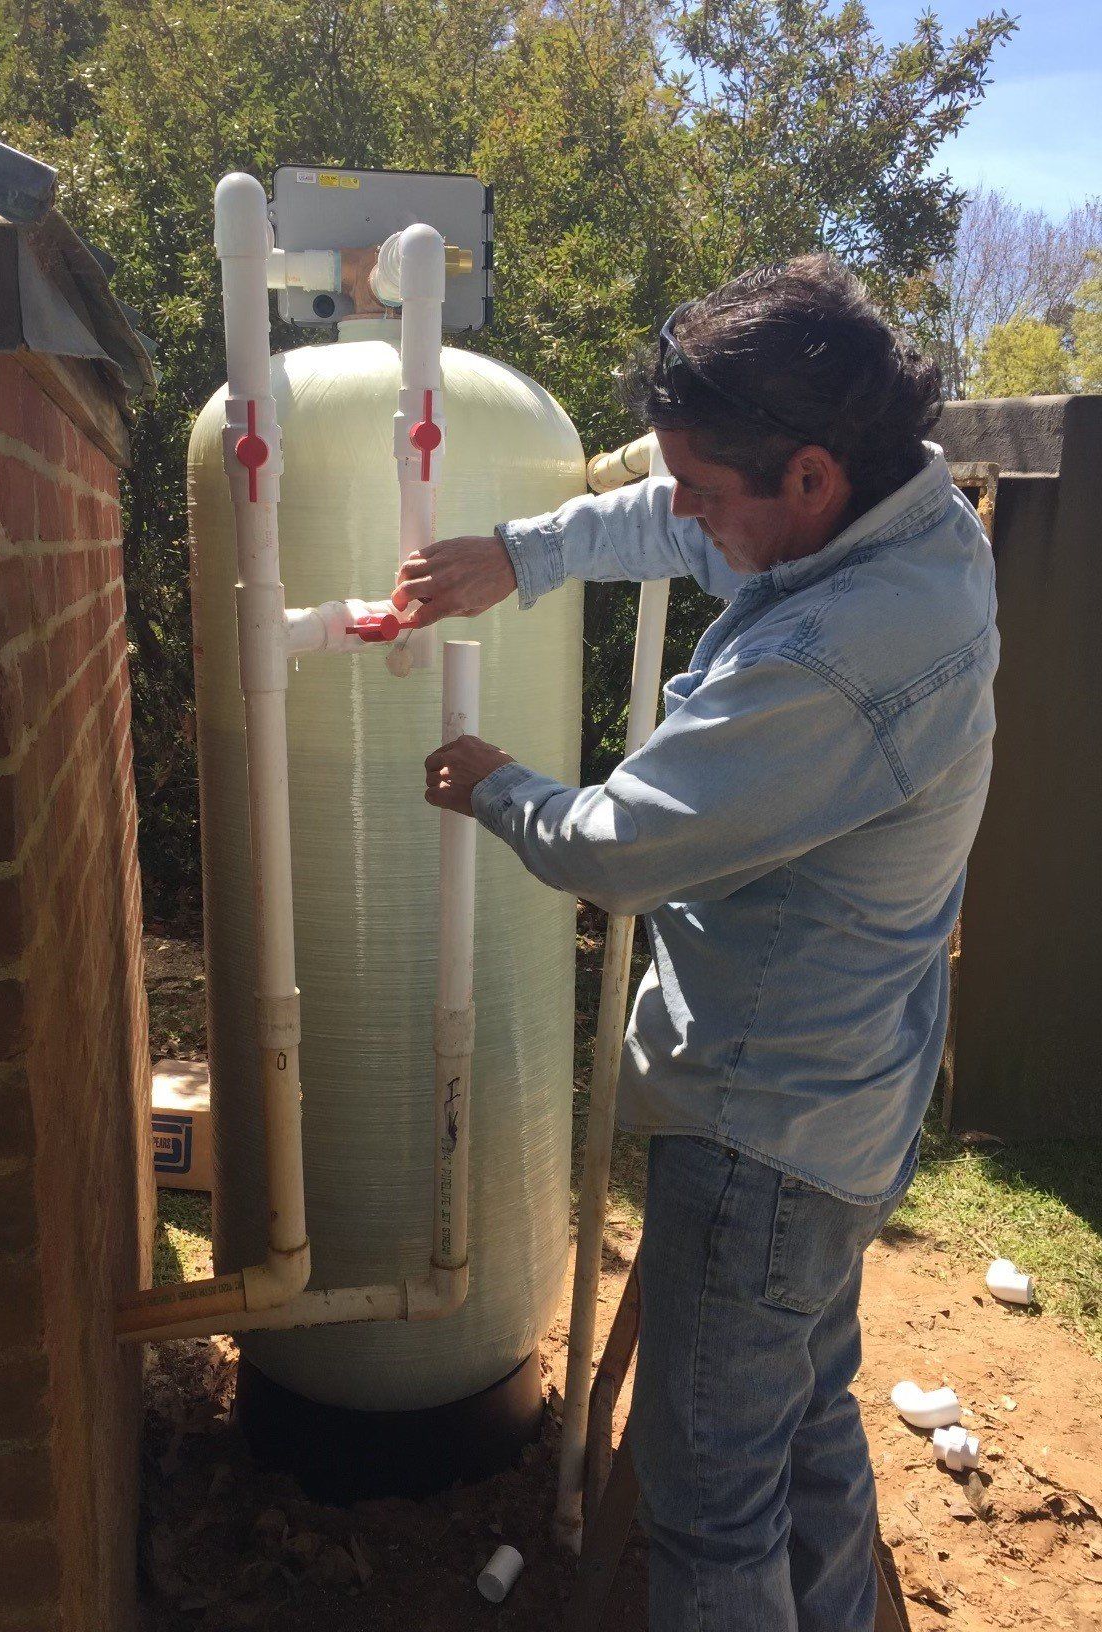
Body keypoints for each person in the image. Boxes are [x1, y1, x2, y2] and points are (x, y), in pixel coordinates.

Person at [394, 255, 998, 1632]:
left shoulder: (841, 652)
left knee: (712, 1504)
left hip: (762, 1132)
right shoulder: (900, 519)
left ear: (809, 478)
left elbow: (623, 847)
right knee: (804, 1420)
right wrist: (523, 554)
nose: (685, 514)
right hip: (847, 1102)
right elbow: (688, 527)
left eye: (706, 488)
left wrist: (495, 784)